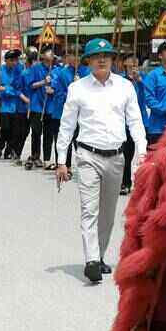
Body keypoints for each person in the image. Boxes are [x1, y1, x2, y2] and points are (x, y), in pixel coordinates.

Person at [55, 37, 145, 284]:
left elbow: (135, 121)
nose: (102, 60)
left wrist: (142, 150)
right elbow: (66, 126)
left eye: (106, 56)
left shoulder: (125, 87)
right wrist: (62, 160)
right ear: (88, 61)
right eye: (96, 57)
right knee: (89, 210)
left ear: (113, 60)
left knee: (108, 212)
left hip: (116, 157)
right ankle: (91, 260)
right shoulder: (78, 88)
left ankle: (101, 254)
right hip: (87, 156)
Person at [38, 48, 69, 169]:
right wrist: (48, 86)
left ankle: (60, 161)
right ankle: (46, 159)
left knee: (61, 138)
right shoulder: (51, 72)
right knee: (48, 135)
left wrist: (54, 89)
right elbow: (49, 86)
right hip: (49, 108)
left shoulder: (62, 71)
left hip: (61, 109)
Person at [21, 48, 50, 169]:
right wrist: (43, 82)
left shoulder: (56, 69)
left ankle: (47, 159)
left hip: (49, 105)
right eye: (48, 53)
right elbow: (31, 85)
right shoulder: (35, 68)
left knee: (48, 134)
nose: (51, 56)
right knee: (36, 132)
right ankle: (35, 156)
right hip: (37, 105)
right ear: (43, 56)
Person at [119, 52, 144, 194]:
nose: (133, 62)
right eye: (130, 60)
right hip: (123, 122)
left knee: (135, 153)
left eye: (136, 60)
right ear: (125, 63)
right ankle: (125, 182)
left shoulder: (142, 80)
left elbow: (145, 97)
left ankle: (135, 182)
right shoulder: (120, 80)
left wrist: (139, 81)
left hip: (137, 121)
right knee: (125, 155)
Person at [0, 49, 29, 160]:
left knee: (14, 131)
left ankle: (8, 150)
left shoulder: (19, 69)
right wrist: (7, 89)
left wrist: (6, 89)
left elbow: (16, 88)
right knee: (5, 128)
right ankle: (1, 145)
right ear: (6, 60)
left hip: (17, 106)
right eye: (12, 60)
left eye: (16, 60)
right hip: (5, 106)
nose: (14, 62)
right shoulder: (0, 71)